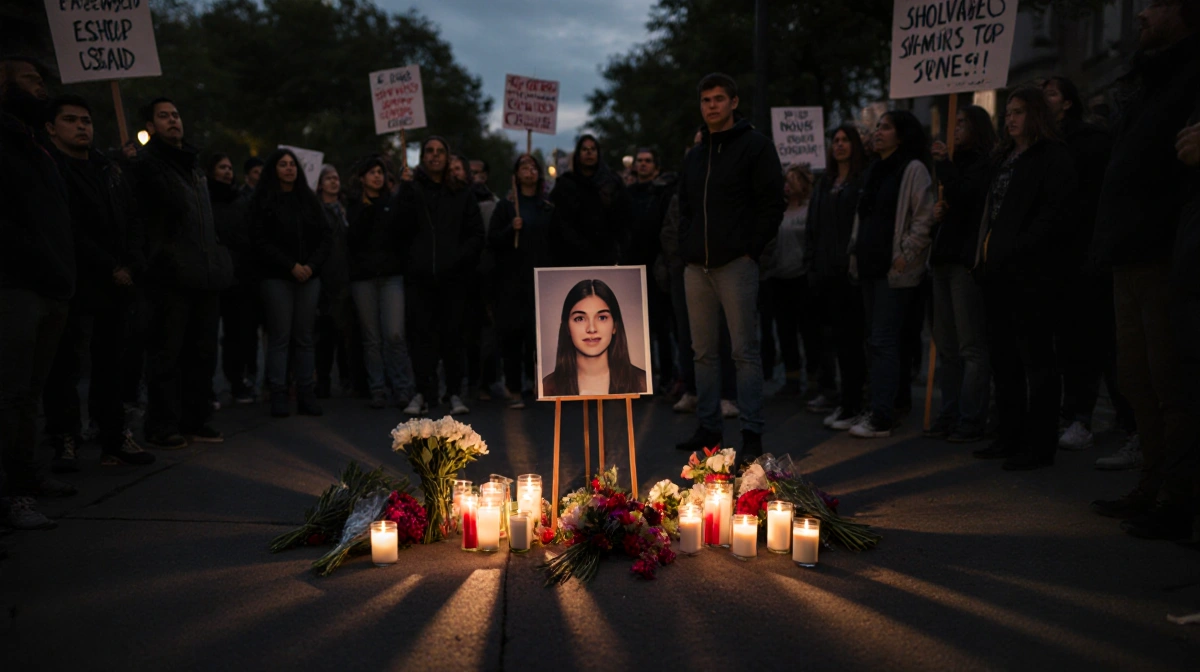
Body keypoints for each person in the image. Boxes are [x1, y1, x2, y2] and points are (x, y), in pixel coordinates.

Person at [1089, 1, 1200, 537]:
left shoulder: (1191, 74)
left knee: (1168, 380)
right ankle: (1152, 484)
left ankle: (1178, 499)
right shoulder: (1148, 79)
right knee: (1136, 377)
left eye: (1151, 5)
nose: (1139, 15)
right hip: (1129, 252)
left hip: (1165, 253)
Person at [40, 94, 155, 471]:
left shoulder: (109, 169)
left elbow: (135, 217)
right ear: (50, 128)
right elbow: (66, 227)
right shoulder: (50, 169)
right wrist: (109, 264)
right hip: (73, 280)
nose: (82, 126)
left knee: (114, 363)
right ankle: (65, 439)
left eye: (86, 120)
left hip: (117, 283)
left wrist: (133, 263)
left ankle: (113, 435)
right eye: (71, 120)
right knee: (66, 364)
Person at [673, 73, 784, 461]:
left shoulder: (755, 147)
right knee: (702, 352)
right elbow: (684, 207)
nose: (712, 106)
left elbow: (773, 203)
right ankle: (709, 429)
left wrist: (751, 248)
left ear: (734, 102)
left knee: (743, 351)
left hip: (736, 263)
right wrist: (686, 247)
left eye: (719, 99)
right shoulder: (695, 156)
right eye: (705, 100)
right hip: (696, 267)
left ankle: (752, 432)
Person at [972, 88, 1077, 470]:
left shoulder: (1052, 157)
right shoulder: (1004, 158)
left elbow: (1054, 214)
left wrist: (1019, 247)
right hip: (997, 271)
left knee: (1036, 359)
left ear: (1035, 115)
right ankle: (1009, 434)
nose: (1010, 119)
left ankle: (1039, 443)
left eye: (1018, 112)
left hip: (1033, 274)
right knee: (1004, 359)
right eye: (1008, 113)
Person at [1039, 77, 1140, 463]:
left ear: (1067, 103)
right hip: (1058, 261)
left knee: (1097, 342)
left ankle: (1108, 420)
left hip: (1087, 258)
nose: (1043, 99)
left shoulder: (1089, 142)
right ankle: (1087, 416)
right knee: (1072, 344)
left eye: (1050, 93)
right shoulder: (1045, 146)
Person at [0, 56, 78, 530]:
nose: (41, 88)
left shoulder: (34, 145)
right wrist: (41, 259)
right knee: (9, 393)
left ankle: (25, 478)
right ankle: (9, 495)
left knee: (30, 392)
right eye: (30, 80)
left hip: (50, 285)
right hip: (16, 284)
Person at [133, 97, 233, 449]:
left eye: (176, 114)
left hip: (204, 274)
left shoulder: (193, 167)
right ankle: (162, 424)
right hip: (170, 276)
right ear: (150, 126)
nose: (173, 120)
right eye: (164, 116)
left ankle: (196, 418)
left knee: (202, 352)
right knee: (168, 353)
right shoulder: (148, 166)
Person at [847, 110, 935, 439]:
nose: (878, 132)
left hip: (894, 270)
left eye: (885, 127)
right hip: (870, 266)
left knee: (884, 340)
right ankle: (887, 403)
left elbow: (923, 216)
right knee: (876, 339)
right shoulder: (875, 170)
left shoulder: (912, 169)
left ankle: (881, 415)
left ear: (902, 135)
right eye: (878, 127)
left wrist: (906, 254)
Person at [926, 104, 998, 444]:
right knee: (947, 346)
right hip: (943, 259)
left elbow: (967, 196)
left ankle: (971, 418)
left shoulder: (983, 165)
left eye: (962, 123)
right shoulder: (955, 166)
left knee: (970, 345)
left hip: (964, 262)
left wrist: (944, 166)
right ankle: (949, 412)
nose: (955, 129)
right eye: (954, 123)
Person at [398, 136, 484, 416]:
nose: (435, 156)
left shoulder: (462, 193)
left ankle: (455, 392)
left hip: (453, 280)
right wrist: (404, 190)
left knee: (453, 337)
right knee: (421, 337)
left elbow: (475, 235)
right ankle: (423, 392)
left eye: (440, 152)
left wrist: (457, 260)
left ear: (448, 158)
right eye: (429, 151)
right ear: (422, 157)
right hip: (420, 279)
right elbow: (398, 228)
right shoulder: (412, 190)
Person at [248, 148, 332, 418]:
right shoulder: (263, 201)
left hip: (309, 277)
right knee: (280, 338)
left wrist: (310, 266)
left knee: (305, 337)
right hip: (277, 278)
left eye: (292, 164)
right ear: (274, 169)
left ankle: (307, 393)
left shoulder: (309, 201)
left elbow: (325, 237)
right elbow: (260, 241)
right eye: (283, 164)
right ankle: (279, 394)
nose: (289, 169)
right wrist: (290, 265)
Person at [807, 125, 868, 430]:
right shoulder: (824, 183)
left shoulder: (861, 181)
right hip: (825, 273)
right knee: (834, 340)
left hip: (850, 273)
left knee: (853, 342)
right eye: (836, 141)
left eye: (845, 140)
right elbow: (813, 227)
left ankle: (854, 402)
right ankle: (844, 401)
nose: (840, 145)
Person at [763, 163, 835, 402]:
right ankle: (791, 379)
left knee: (809, 332)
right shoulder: (778, 211)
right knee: (785, 332)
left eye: (792, 180)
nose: (787, 184)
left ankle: (813, 380)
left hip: (803, 279)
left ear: (803, 184)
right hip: (779, 278)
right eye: (786, 180)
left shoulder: (810, 210)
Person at [346, 156, 413, 409]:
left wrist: (404, 188)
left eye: (380, 172)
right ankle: (377, 388)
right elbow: (353, 238)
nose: (377, 176)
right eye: (372, 172)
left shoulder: (391, 204)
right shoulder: (354, 205)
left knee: (395, 334)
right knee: (371, 337)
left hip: (390, 276)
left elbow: (402, 230)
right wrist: (366, 209)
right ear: (362, 177)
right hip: (363, 278)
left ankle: (402, 387)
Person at [489, 153, 554, 408]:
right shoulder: (506, 208)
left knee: (538, 336)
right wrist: (510, 230)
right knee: (513, 335)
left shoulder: (546, 207)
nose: (530, 171)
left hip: (540, 278)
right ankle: (514, 387)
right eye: (524, 167)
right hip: (512, 281)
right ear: (516, 175)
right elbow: (493, 240)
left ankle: (540, 383)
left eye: (533, 167)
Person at [207, 152, 257, 405]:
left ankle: (236, 381)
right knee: (208, 336)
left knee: (237, 335)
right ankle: (207, 390)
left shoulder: (240, 201)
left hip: (239, 276)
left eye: (229, 167)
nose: (227, 171)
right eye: (221, 167)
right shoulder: (203, 199)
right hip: (213, 276)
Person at [627, 147, 678, 391]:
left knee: (662, 325)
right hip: (632, 267)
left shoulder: (664, 194)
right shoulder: (627, 195)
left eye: (648, 161)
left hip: (657, 266)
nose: (643, 164)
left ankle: (667, 376)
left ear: (656, 167)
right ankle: (643, 376)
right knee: (636, 327)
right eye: (640, 161)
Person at [541, 279, 648, 396]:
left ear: (615, 326)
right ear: (567, 328)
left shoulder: (642, 382)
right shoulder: (547, 387)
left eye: (602, 317)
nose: (591, 329)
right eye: (580, 319)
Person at [548, 134, 631, 266]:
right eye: (584, 149)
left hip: (606, 256)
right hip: (571, 258)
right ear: (578, 154)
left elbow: (623, 219)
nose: (589, 152)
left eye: (592, 149)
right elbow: (557, 221)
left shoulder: (612, 182)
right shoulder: (566, 184)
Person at [314, 164, 353, 400]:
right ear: (319, 184)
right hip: (324, 275)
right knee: (325, 333)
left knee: (345, 332)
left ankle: (348, 379)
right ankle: (324, 381)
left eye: (336, 177)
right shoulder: (317, 211)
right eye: (328, 178)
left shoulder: (344, 209)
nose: (334, 182)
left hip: (345, 276)